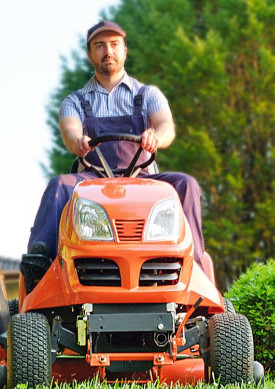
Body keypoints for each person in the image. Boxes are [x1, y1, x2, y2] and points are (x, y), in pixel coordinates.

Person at [22, 20, 205, 288]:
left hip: (144, 180)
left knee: (186, 184)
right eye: (100, 46)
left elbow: (166, 125)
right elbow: (70, 128)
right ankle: (42, 263)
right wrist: (78, 140)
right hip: (92, 182)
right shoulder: (75, 102)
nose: (108, 51)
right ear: (90, 54)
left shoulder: (147, 95)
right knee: (59, 185)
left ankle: (194, 267)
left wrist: (157, 137)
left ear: (124, 50)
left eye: (114, 44)